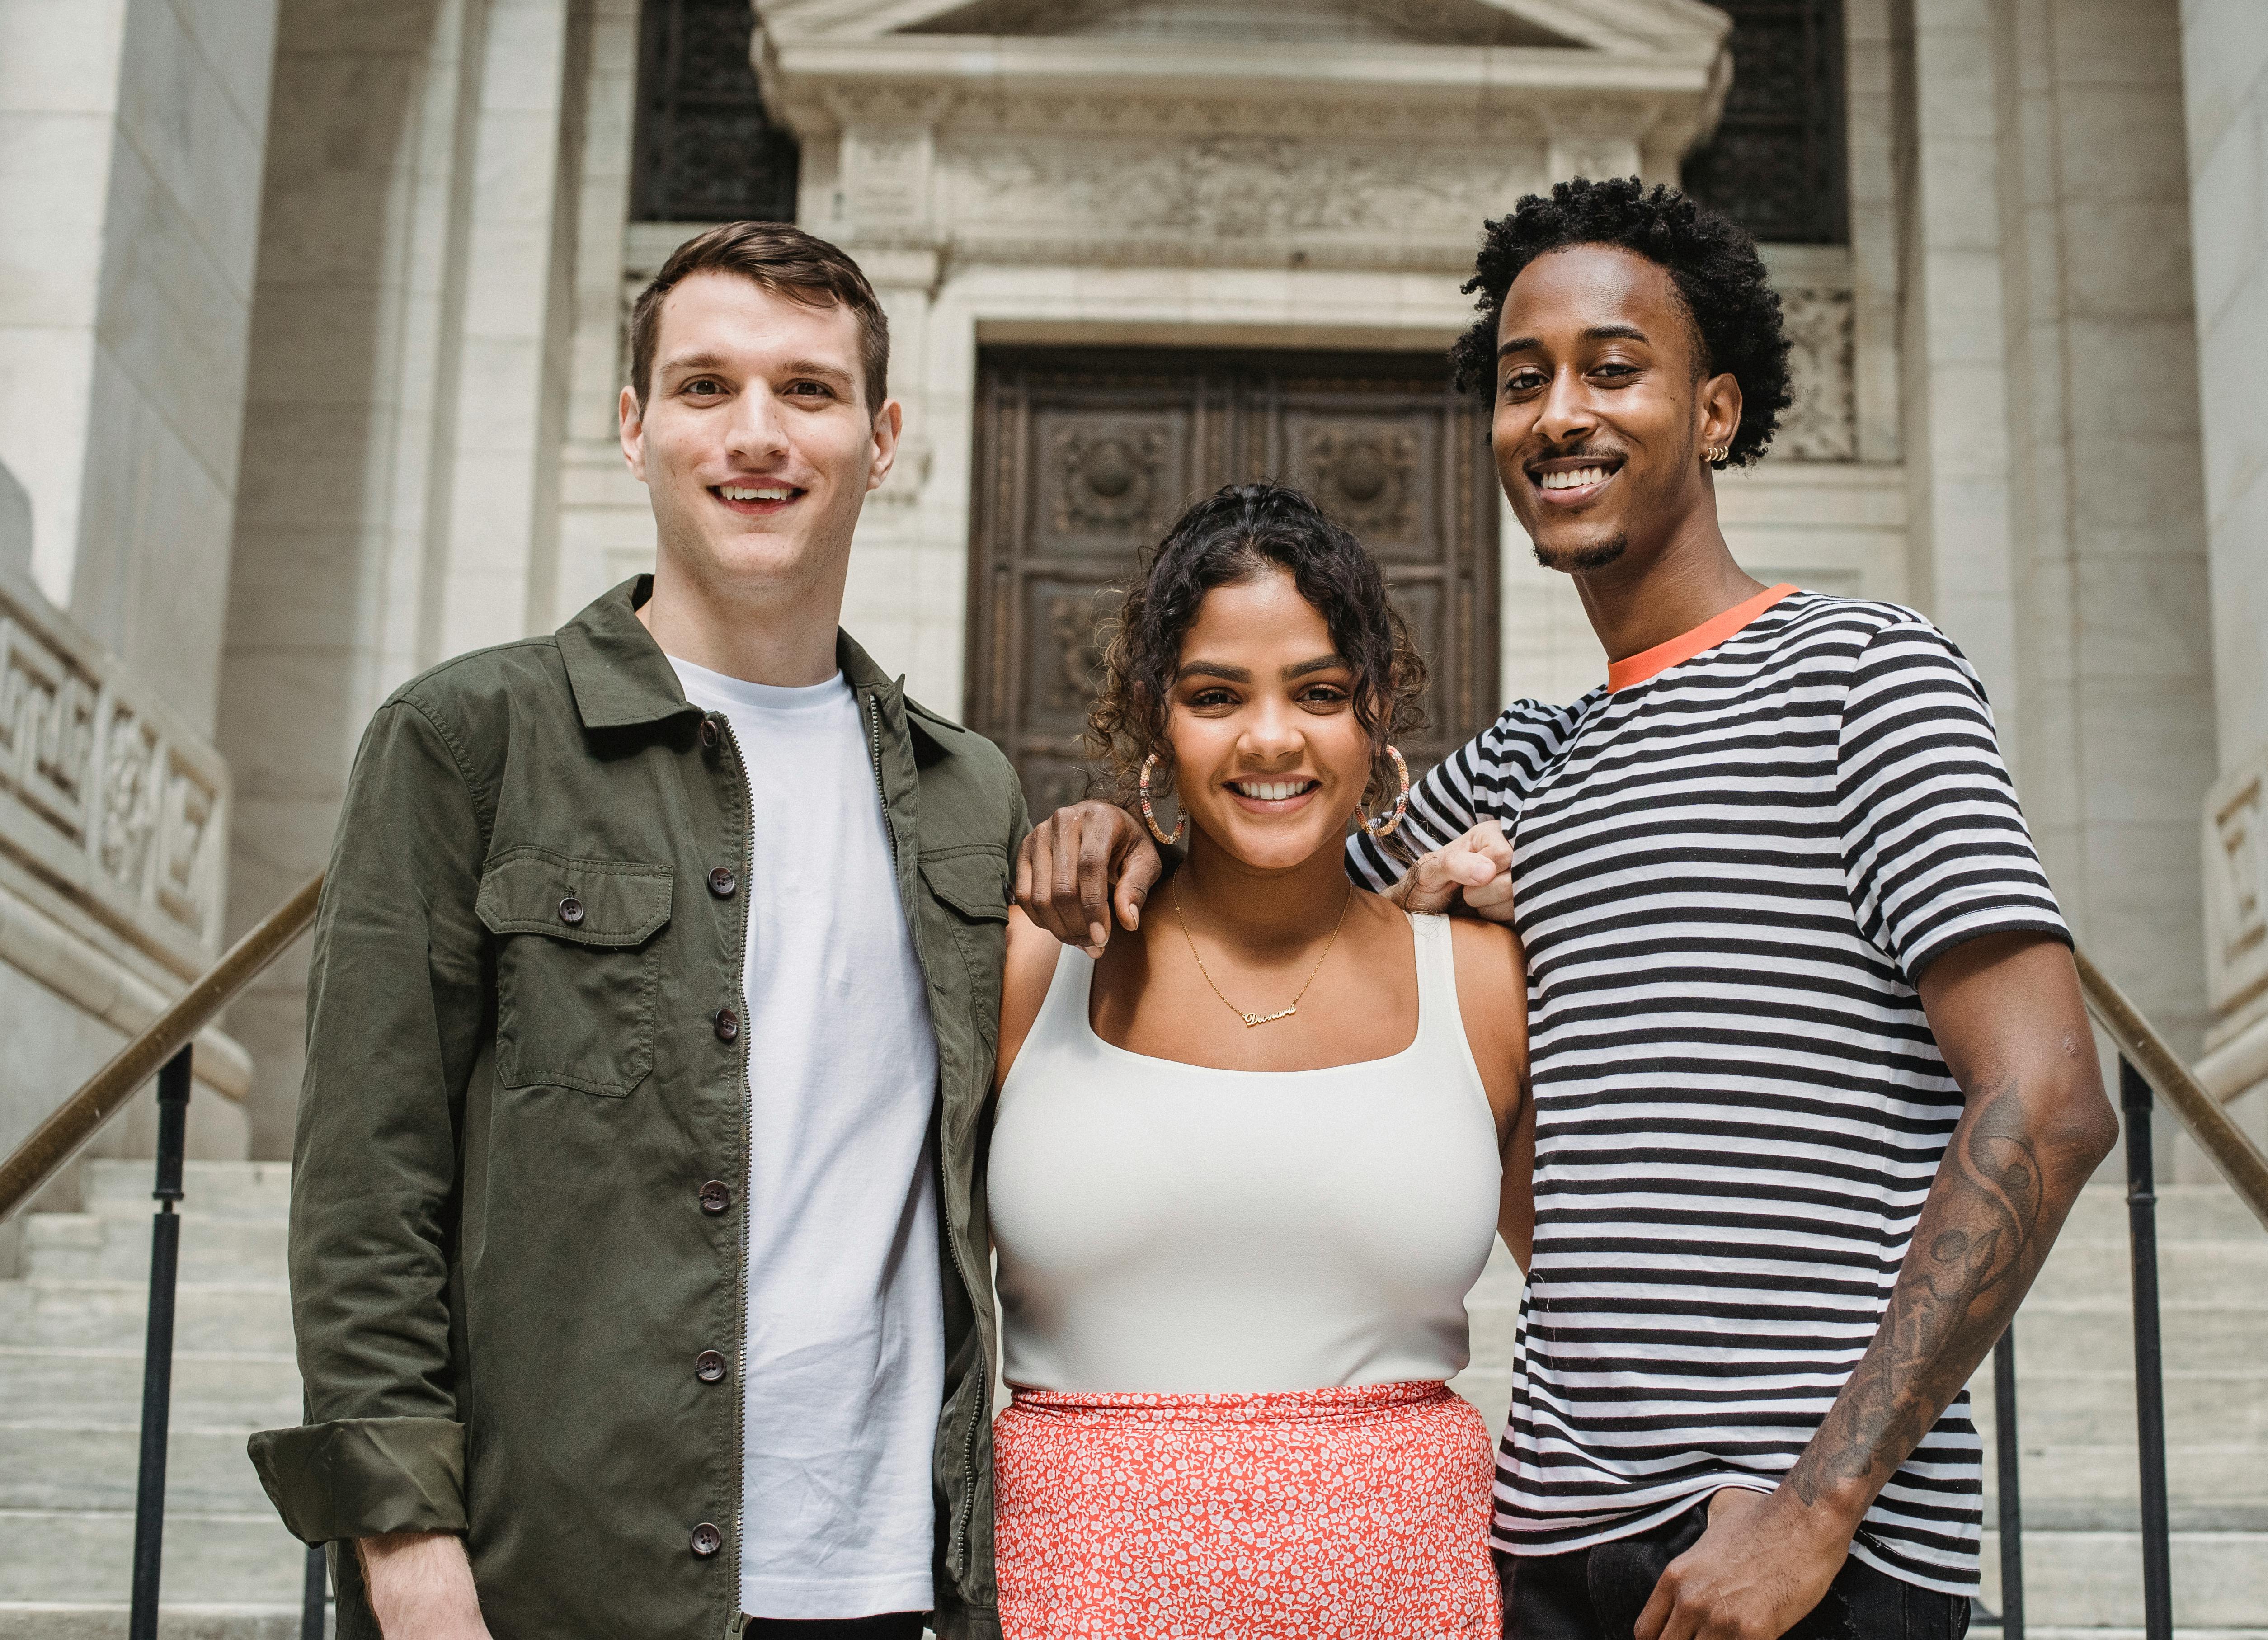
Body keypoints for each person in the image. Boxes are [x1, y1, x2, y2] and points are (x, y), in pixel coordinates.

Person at [1016, 178, 2120, 1640]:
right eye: (1522, 379)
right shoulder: (1528, 756)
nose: (1558, 414)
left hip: (1800, 1559)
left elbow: (2048, 1100)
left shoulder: (1867, 674)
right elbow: (1257, 881)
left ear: (1719, 411)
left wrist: (1813, 1506)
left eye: (1613, 367)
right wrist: (1112, 843)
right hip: (1546, 1548)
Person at [248, 222, 1023, 1640]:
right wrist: (410, 1553)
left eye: (807, 390)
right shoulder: (468, 740)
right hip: (559, 1575)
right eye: (705, 386)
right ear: (632, 425)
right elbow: (368, 1182)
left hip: (888, 1581)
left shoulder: (972, 796)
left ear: (884, 434)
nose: (756, 436)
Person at [993, 482, 1534, 1639]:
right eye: (1215, 694)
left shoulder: (1483, 983)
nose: (1273, 736)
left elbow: (1610, 1313)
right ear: (1154, 717)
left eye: (1321, 692)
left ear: (1375, 713)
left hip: (1405, 1603)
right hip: (1072, 1603)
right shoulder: (1042, 959)